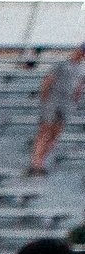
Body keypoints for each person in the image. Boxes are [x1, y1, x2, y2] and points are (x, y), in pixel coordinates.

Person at [28, 40, 85, 175]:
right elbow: (47, 80)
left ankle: (41, 161)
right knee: (44, 131)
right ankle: (35, 162)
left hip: (66, 103)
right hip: (53, 100)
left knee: (55, 134)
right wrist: (44, 98)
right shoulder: (61, 64)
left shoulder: (81, 69)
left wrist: (74, 102)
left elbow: (78, 88)